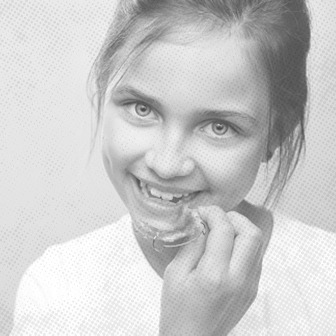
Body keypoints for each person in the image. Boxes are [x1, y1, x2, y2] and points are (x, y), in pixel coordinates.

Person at [10, 0, 336, 334]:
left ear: (276, 134)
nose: (166, 165)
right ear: (103, 87)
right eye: (141, 108)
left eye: (218, 127)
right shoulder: (57, 294)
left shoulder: (327, 285)